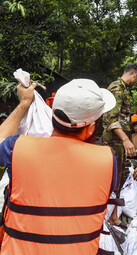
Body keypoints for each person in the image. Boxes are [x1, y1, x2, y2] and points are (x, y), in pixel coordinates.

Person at [0, 79, 117, 254]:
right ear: (92, 128)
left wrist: (25, 103)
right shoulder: (108, 160)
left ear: (53, 113)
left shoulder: (16, 148)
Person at [101, 63, 137, 228]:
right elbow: (110, 118)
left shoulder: (123, 89)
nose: (136, 81)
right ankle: (109, 216)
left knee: (119, 178)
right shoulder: (117, 88)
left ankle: (114, 216)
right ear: (134, 75)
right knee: (112, 179)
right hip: (113, 142)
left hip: (119, 142)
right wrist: (125, 139)